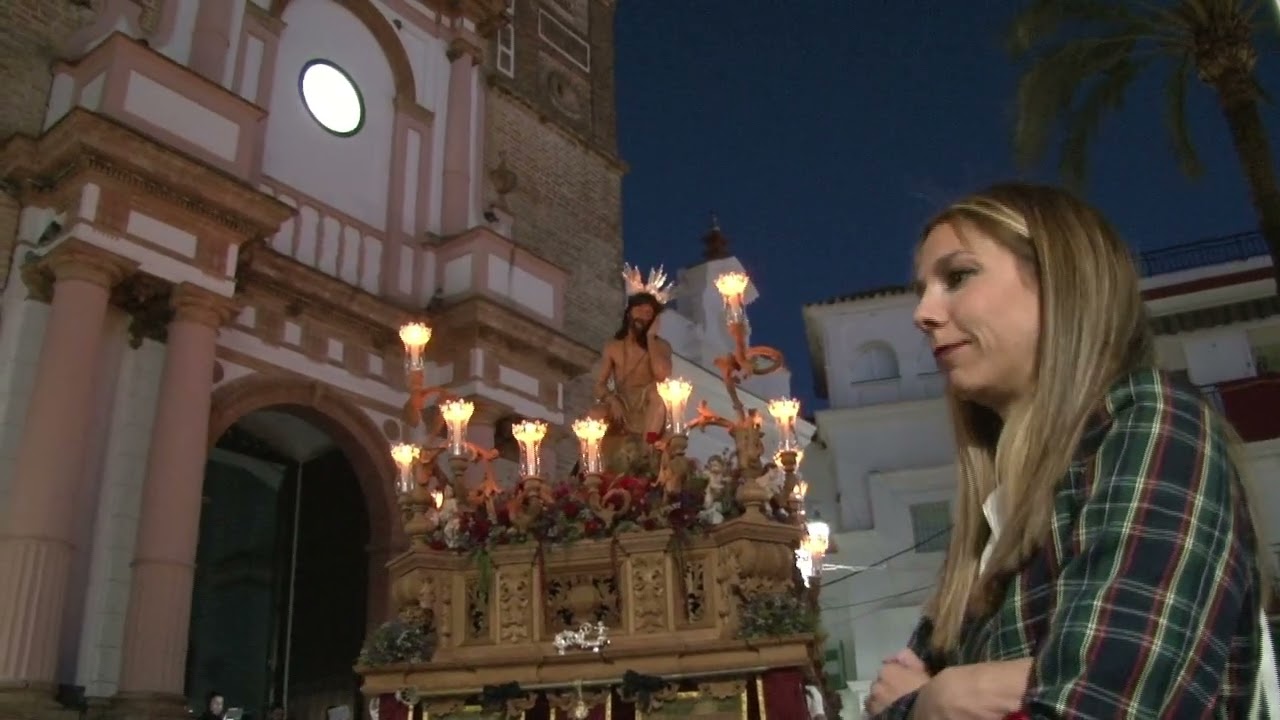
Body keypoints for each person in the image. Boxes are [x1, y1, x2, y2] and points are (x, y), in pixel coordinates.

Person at [864, 183, 1276, 718]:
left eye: (958, 276)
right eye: (922, 289)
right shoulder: (990, 524)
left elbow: (1105, 704)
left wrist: (930, 700)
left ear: (1060, 280)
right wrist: (944, 698)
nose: (922, 313)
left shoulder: (1150, 423)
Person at [591, 290, 673, 444]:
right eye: (638, 309)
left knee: (658, 395)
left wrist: (650, 338)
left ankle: (647, 448)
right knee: (595, 414)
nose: (642, 316)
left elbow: (662, 376)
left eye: (648, 312)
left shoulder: (661, 346)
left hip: (647, 401)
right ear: (629, 313)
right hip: (622, 401)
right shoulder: (613, 346)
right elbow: (599, 385)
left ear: (654, 320)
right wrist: (612, 400)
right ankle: (589, 464)